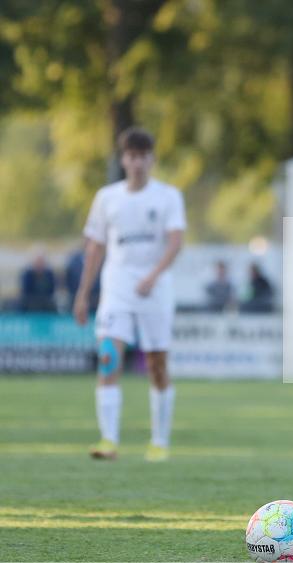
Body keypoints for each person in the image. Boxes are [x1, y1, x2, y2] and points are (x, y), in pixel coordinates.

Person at [73, 126, 186, 462]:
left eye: (143, 156)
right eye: (131, 156)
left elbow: (176, 241)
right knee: (108, 357)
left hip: (155, 290)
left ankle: (159, 441)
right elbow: (94, 247)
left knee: (157, 365)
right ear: (123, 159)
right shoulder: (107, 197)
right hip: (117, 289)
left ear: (151, 159)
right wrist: (82, 294)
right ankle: (109, 440)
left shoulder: (167, 196)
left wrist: (153, 275)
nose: (137, 163)